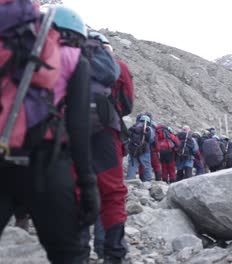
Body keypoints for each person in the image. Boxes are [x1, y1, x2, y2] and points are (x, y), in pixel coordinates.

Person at [0, 5, 99, 263]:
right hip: (44, 162)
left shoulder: (7, 45)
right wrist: (87, 185)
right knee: (68, 253)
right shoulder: (76, 59)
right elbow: (79, 127)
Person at [81, 31, 134, 263]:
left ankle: (78, 251)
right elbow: (128, 104)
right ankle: (110, 251)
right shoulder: (117, 65)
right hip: (106, 132)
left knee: (76, 189)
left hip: (70, 130)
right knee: (111, 192)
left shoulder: (66, 57)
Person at [126, 114, 155, 181]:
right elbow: (151, 140)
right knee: (147, 167)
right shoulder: (149, 128)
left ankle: (129, 181)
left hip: (133, 150)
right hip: (145, 150)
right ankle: (147, 182)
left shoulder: (134, 126)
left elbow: (127, 136)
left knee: (132, 166)